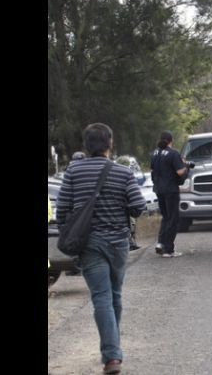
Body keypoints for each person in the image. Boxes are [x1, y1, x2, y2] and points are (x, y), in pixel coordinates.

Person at [55, 123, 146, 374]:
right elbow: (139, 206)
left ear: (86, 145)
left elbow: (62, 209)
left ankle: (112, 355)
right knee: (115, 295)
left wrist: (70, 232)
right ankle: (113, 351)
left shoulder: (73, 172)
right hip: (118, 243)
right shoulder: (123, 172)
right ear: (110, 144)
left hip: (89, 244)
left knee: (102, 298)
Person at [150, 131, 189, 258]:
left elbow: (152, 170)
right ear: (171, 140)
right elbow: (179, 172)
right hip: (171, 190)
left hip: (158, 190)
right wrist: (186, 167)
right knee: (173, 219)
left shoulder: (154, 153)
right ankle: (169, 250)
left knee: (165, 217)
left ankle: (161, 243)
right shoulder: (173, 153)